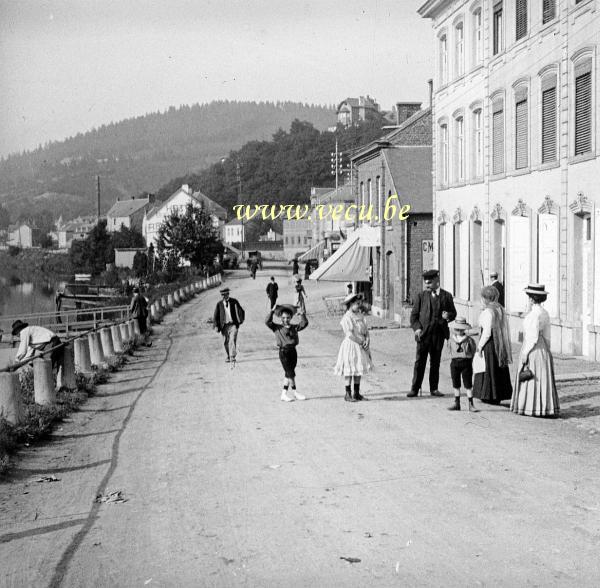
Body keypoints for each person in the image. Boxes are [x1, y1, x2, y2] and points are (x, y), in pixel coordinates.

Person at [510, 284, 559, 417]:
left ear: (531, 299)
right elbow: (547, 335)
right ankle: (543, 406)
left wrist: (525, 353)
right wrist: (547, 350)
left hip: (533, 347)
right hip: (542, 347)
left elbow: (532, 336)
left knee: (530, 375)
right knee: (541, 376)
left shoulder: (533, 315)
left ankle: (529, 406)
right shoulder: (544, 313)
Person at [409, 269, 457, 397]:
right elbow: (413, 317)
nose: (427, 285)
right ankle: (415, 388)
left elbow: (453, 313)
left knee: (435, 362)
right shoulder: (421, 296)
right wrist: (417, 328)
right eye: (426, 283)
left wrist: (448, 316)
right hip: (423, 335)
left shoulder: (446, 296)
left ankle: (434, 389)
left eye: (429, 282)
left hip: (439, 335)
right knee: (420, 362)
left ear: (437, 281)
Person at [472, 285, 513, 404]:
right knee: (497, 369)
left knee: (488, 368)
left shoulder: (488, 312)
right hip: (498, 343)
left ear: (486, 298)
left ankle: (489, 394)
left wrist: (479, 347)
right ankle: (498, 394)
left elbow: (486, 332)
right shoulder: (499, 309)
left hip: (489, 344)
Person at [334, 293, 373, 402]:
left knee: (357, 368)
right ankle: (348, 394)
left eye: (360, 303)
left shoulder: (360, 316)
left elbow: (366, 331)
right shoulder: (347, 317)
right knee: (350, 369)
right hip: (351, 345)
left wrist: (367, 340)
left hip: (360, 345)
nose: (359, 305)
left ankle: (356, 393)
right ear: (350, 304)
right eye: (356, 304)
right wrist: (361, 341)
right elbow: (349, 334)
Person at [265, 304, 309, 402]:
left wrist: (302, 314)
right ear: (280, 317)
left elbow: (304, 323)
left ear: (291, 317)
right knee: (290, 373)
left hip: (293, 351)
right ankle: (295, 392)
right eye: (283, 317)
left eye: (288, 318)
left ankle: (283, 394)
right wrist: (272, 312)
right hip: (283, 352)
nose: (285, 320)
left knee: (288, 373)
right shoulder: (277, 327)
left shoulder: (294, 327)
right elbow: (267, 322)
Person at [447, 317, 477, 411]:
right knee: (456, 383)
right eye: (457, 329)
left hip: (466, 363)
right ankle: (457, 403)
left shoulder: (469, 340)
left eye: (461, 329)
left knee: (468, 384)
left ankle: (471, 404)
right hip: (455, 363)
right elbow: (449, 351)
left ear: (464, 329)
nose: (459, 331)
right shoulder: (451, 340)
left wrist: (469, 358)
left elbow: (473, 350)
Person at [213, 287, 245, 365]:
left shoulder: (234, 301)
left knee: (233, 339)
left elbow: (241, 311)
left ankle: (232, 356)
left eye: (225, 294)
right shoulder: (219, 304)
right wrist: (216, 326)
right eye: (222, 295)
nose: (223, 296)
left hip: (233, 324)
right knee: (225, 342)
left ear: (228, 294)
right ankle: (227, 356)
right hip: (224, 326)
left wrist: (241, 320)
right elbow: (215, 316)